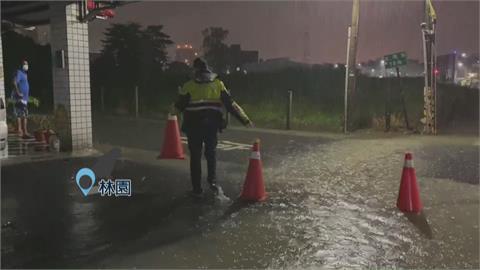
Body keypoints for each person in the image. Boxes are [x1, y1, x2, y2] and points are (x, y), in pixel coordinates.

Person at [174, 58, 253, 197]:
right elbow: (231, 105)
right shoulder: (218, 84)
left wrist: (170, 116)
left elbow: (178, 106)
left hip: (194, 128)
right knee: (211, 154)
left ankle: (197, 189)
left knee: (195, 157)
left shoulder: (189, 86)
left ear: (195, 70)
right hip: (211, 127)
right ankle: (213, 183)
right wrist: (245, 120)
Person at [11, 59, 31, 139]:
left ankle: (23, 131)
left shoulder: (24, 74)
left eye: (27, 64)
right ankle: (22, 131)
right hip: (19, 98)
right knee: (22, 114)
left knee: (23, 115)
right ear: (21, 65)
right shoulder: (19, 72)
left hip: (24, 98)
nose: (26, 65)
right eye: (24, 64)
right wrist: (18, 92)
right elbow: (14, 82)